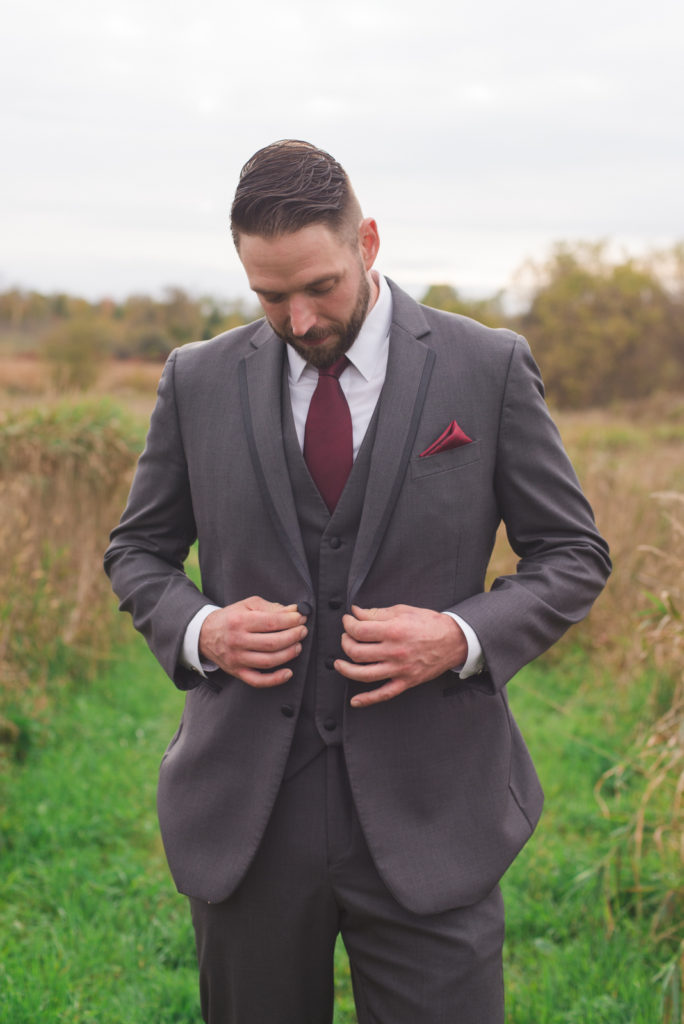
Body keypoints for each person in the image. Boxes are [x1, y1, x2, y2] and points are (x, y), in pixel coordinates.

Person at [105, 140, 611, 1024]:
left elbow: (572, 552)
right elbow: (138, 552)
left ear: (367, 241)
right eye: (269, 296)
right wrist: (200, 630)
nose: (298, 319)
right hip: (248, 818)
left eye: (319, 287)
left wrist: (460, 637)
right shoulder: (196, 379)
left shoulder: (485, 367)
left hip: (434, 812)